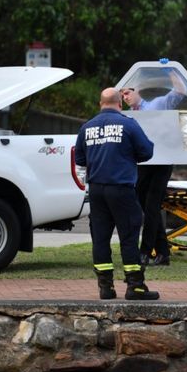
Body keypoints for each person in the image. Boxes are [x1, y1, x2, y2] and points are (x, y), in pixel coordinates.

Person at [74, 88, 159, 300]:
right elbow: (147, 152)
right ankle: (135, 287)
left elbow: (80, 160)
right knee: (129, 236)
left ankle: (105, 288)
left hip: (97, 191)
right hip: (121, 189)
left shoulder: (87, 127)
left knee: (100, 239)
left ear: (100, 103)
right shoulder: (128, 124)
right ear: (120, 103)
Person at [121, 69, 187, 266]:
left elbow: (181, 91)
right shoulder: (129, 116)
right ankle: (163, 252)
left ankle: (145, 251)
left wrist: (171, 71)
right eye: (122, 94)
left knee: (151, 206)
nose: (125, 97)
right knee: (147, 207)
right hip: (143, 164)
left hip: (162, 161)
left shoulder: (158, 104)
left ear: (138, 90)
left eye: (128, 92)